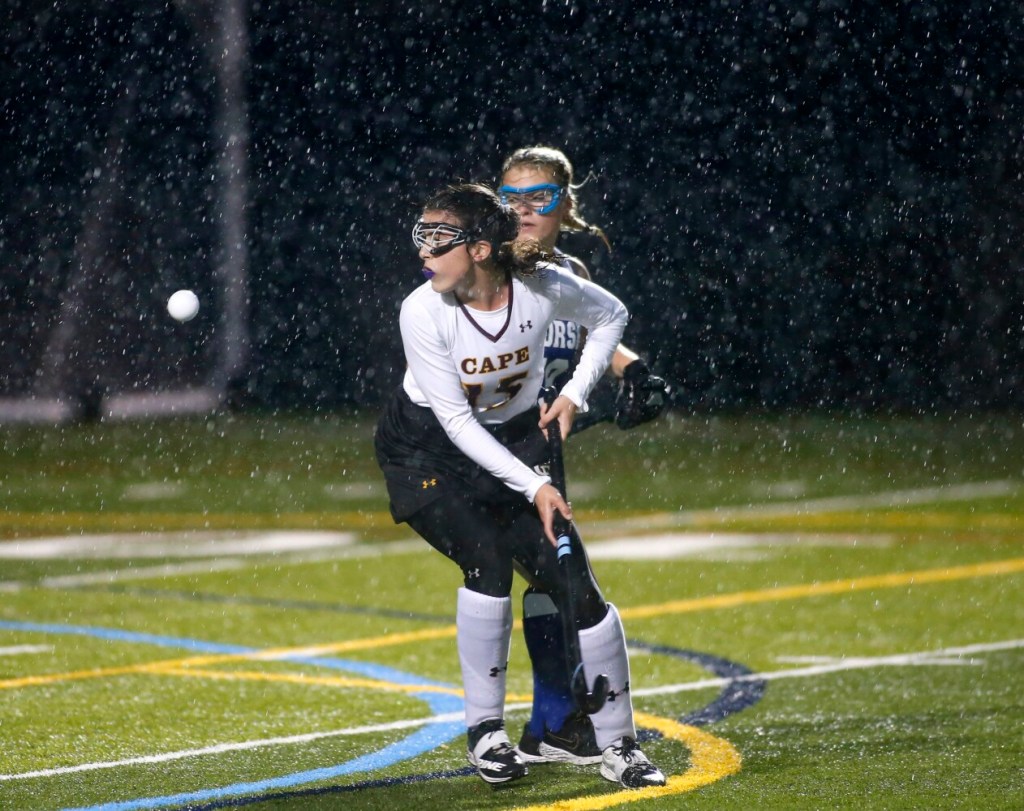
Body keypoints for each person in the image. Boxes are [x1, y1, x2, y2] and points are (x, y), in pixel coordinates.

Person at [374, 182, 666, 790]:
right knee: (486, 560)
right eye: (422, 236)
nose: (423, 251)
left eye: (439, 239)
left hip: (512, 441)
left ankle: (620, 745)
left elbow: (611, 316)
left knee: (576, 583)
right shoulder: (421, 310)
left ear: (480, 250)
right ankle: (486, 733)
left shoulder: (541, 286)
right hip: (426, 450)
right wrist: (534, 486)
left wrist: (574, 393)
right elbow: (457, 424)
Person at [497, 146, 671, 765]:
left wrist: (633, 371)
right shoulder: (490, 268)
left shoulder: (568, 269)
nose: (523, 210)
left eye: (539, 197)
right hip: (495, 449)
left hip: (539, 451)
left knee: (551, 579)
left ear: (565, 204)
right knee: (562, 580)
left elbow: (594, 330)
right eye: (511, 197)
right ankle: (557, 727)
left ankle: (551, 723)